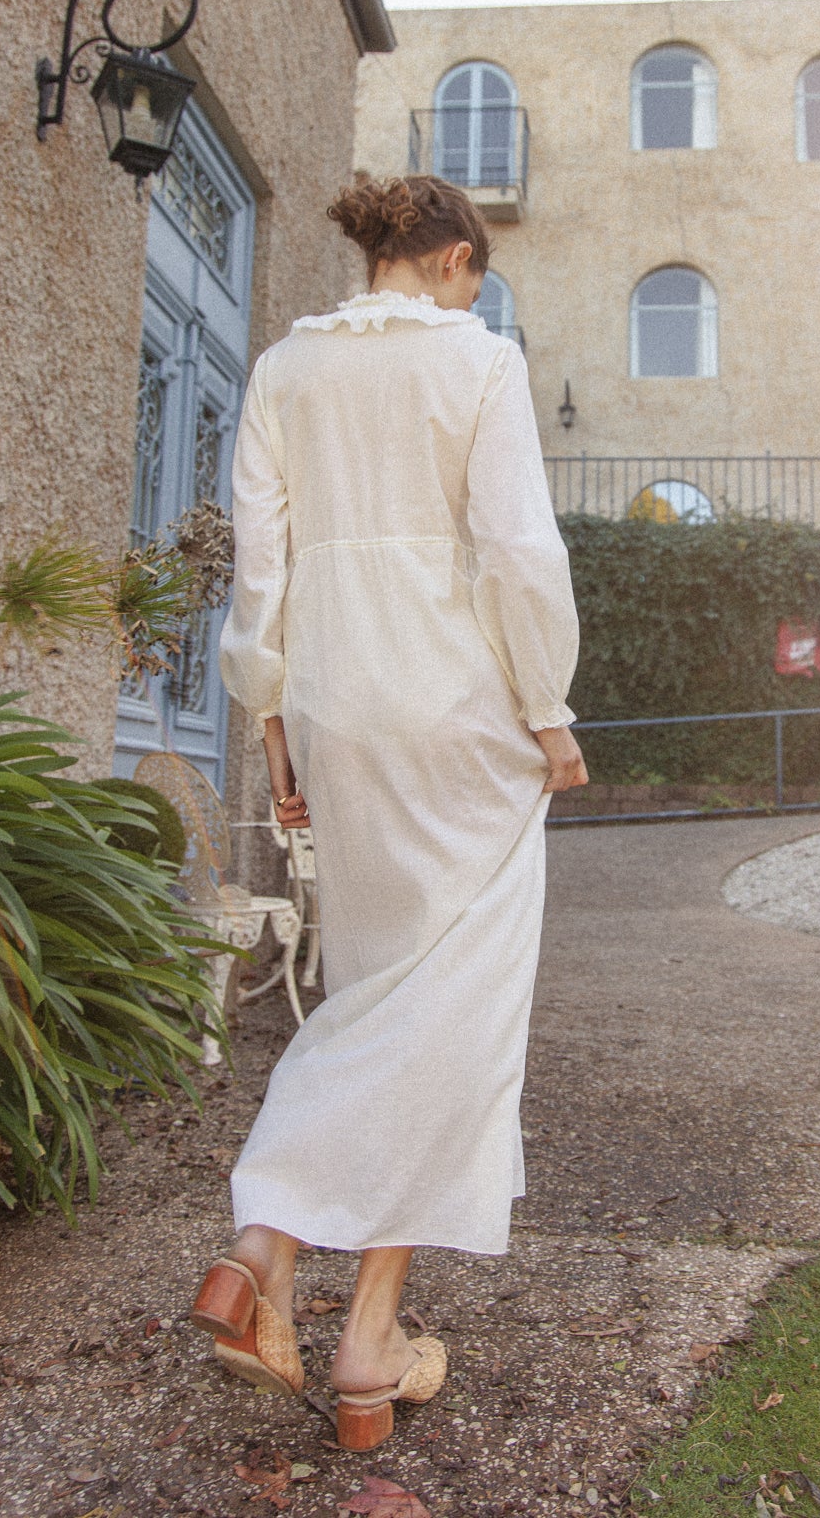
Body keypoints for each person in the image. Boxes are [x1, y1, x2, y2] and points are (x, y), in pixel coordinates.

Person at [188, 174, 586, 1451]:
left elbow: (262, 570)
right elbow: (519, 550)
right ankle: (314, 1282)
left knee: (377, 993)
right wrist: (549, 704)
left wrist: (270, 724)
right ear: (456, 259)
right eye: (479, 273)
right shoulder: (477, 362)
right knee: (451, 1007)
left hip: (335, 713)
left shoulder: (282, 372)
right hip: (459, 712)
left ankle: (327, 1311)